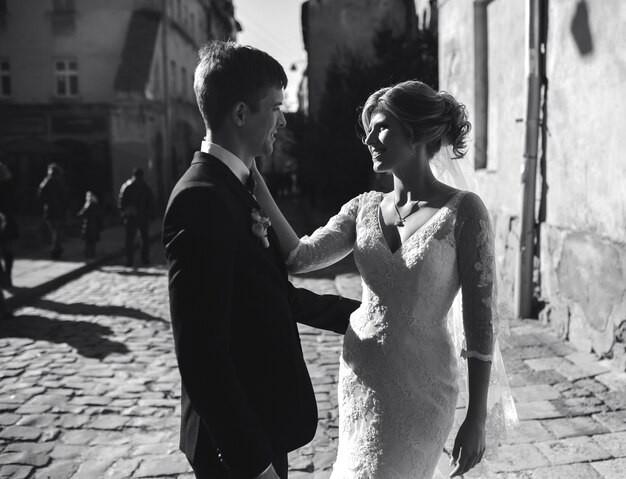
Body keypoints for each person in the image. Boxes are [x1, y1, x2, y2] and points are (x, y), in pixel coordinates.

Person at [252, 80, 517, 478]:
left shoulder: (464, 212)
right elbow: (299, 257)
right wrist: (253, 180)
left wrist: (476, 417)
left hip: (423, 389)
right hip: (361, 376)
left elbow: (480, 322)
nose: (370, 139)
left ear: (416, 131)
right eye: (369, 129)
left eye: (381, 127)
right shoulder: (363, 208)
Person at [162, 41, 360, 479]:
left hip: (261, 421)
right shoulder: (201, 199)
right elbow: (200, 351)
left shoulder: (236, 185)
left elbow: (270, 295)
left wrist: (365, 315)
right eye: (274, 107)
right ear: (239, 114)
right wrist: (252, 463)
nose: (283, 119)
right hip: (235, 446)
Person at [118, 168, 154, 266]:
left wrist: (123, 213)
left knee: (130, 240)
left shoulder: (126, 186)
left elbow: (121, 202)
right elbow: (151, 202)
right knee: (144, 239)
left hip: (131, 217)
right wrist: (149, 213)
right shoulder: (145, 187)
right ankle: (144, 259)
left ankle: (130, 261)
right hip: (142, 217)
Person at [37, 163, 69, 259]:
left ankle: (57, 249)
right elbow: (65, 197)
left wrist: (46, 202)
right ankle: (55, 250)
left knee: (54, 231)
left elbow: (40, 196)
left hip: (49, 209)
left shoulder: (46, 182)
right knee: (56, 231)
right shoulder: (60, 182)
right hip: (58, 210)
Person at [0, 162, 18, 288]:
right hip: (7, 218)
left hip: (4, 217)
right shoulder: (10, 184)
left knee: (7, 249)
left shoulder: (9, 185)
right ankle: (7, 276)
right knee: (8, 250)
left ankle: (3, 277)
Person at [77, 191, 102, 259]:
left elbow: (81, 214)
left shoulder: (88, 206)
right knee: (92, 242)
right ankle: (92, 254)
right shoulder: (97, 206)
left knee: (88, 242)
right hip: (95, 227)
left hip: (88, 226)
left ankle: (88, 254)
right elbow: (99, 217)